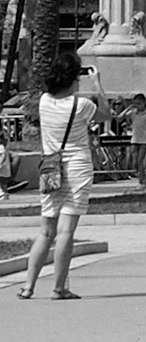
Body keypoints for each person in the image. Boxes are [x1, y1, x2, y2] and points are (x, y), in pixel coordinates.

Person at [16, 46, 99, 300]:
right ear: (73, 79)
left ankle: (29, 286)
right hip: (76, 166)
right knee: (66, 231)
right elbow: (105, 113)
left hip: (50, 167)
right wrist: (97, 85)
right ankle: (58, 287)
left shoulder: (44, 101)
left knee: (46, 230)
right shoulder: (82, 104)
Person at [126, 91, 146, 190]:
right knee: (134, 163)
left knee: (140, 161)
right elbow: (119, 118)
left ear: (144, 102)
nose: (137, 106)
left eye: (139, 104)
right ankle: (143, 175)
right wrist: (128, 108)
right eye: (136, 104)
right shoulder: (133, 113)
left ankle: (141, 182)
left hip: (145, 139)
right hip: (135, 138)